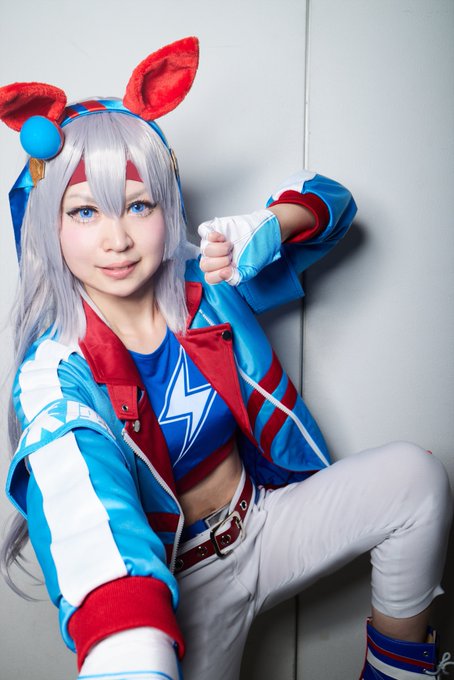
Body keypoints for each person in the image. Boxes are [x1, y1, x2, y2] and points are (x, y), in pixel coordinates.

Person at [0, 37, 452, 680]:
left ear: (168, 206)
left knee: (415, 479)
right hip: (186, 589)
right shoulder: (54, 374)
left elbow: (338, 206)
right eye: (85, 211)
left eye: (138, 204)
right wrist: (128, 640)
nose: (117, 238)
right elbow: (85, 508)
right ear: (50, 226)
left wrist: (272, 225)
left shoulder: (210, 283)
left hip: (264, 523)